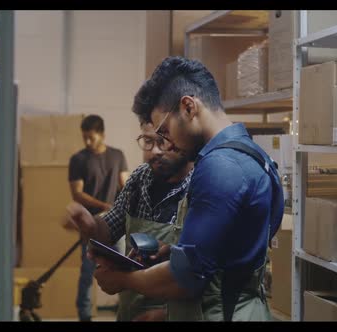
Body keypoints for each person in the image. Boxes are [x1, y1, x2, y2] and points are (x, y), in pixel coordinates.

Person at [90, 56, 284, 321]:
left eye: (165, 131)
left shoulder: (219, 168)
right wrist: (173, 251)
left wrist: (123, 279)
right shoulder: (255, 157)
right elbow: (233, 251)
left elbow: (185, 279)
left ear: (189, 107)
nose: (167, 144)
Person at [65, 121, 194, 321]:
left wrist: (167, 315)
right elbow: (110, 226)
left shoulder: (202, 186)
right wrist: (90, 225)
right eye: (148, 141)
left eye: (163, 141)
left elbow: (204, 278)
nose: (154, 152)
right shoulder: (140, 178)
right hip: (131, 312)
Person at [68, 114, 129, 322]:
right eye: (84, 137)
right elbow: (77, 193)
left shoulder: (117, 156)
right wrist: (103, 206)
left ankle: (127, 312)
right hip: (90, 226)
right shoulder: (78, 159)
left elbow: (127, 185)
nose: (87, 142)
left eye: (91, 137)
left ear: (102, 134)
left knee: (124, 270)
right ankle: (84, 316)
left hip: (116, 225)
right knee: (87, 274)